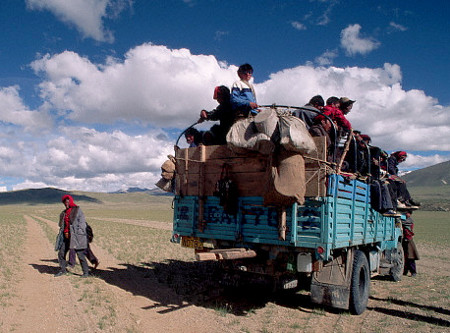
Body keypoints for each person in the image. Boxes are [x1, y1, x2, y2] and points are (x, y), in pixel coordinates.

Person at [55, 194, 91, 277]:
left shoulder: (77, 210)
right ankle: (63, 270)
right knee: (61, 253)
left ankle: (86, 272)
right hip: (66, 237)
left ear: (71, 201)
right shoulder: (64, 213)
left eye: (67, 201)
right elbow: (61, 225)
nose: (66, 203)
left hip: (76, 237)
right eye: (64, 202)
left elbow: (82, 224)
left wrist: (76, 235)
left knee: (80, 254)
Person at [402, 210, 420, 276]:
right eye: (406, 213)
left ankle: (413, 272)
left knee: (410, 257)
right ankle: (405, 271)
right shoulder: (401, 220)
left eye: (408, 213)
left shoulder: (410, 221)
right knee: (404, 257)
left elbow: (409, 231)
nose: (406, 214)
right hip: (403, 240)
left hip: (409, 240)